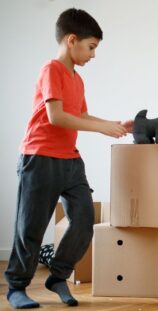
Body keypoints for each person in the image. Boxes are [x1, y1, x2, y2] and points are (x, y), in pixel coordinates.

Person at [4, 8, 132, 309]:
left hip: (70, 161)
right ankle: (16, 287)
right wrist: (101, 128)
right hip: (39, 157)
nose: (93, 55)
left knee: (85, 219)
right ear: (71, 40)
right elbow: (56, 116)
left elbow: (81, 115)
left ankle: (58, 275)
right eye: (91, 47)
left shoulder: (77, 79)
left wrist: (113, 123)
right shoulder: (52, 69)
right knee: (31, 228)